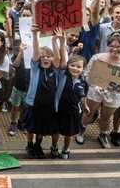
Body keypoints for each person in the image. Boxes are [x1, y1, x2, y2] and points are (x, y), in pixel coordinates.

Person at [78, 32, 120, 148]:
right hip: (96, 90)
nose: (115, 49)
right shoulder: (97, 58)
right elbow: (86, 74)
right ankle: (81, 131)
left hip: (114, 94)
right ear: (107, 46)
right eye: (112, 46)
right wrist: (95, 84)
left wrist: (116, 88)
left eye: (118, 46)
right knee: (89, 112)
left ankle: (103, 134)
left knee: (106, 117)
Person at [22, 26, 66, 158]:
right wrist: (35, 35)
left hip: (50, 106)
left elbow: (60, 60)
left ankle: (38, 145)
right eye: (43, 57)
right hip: (33, 104)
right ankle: (30, 144)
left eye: (48, 56)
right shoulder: (36, 68)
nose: (45, 58)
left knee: (41, 128)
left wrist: (58, 42)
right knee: (31, 127)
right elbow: (35, 51)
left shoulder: (56, 71)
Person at [55, 54, 88, 159]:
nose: (75, 68)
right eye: (72, 65)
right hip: (59, 109)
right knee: (55, 131)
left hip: (73, 112)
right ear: (68, 66)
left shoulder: (83, 82)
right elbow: (62, 61)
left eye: (78, 67)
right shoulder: (62, 75)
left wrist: (85, 106)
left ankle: (65, 149)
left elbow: (83, 97)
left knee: (68, 133)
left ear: (83, 69)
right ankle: (54, 147)